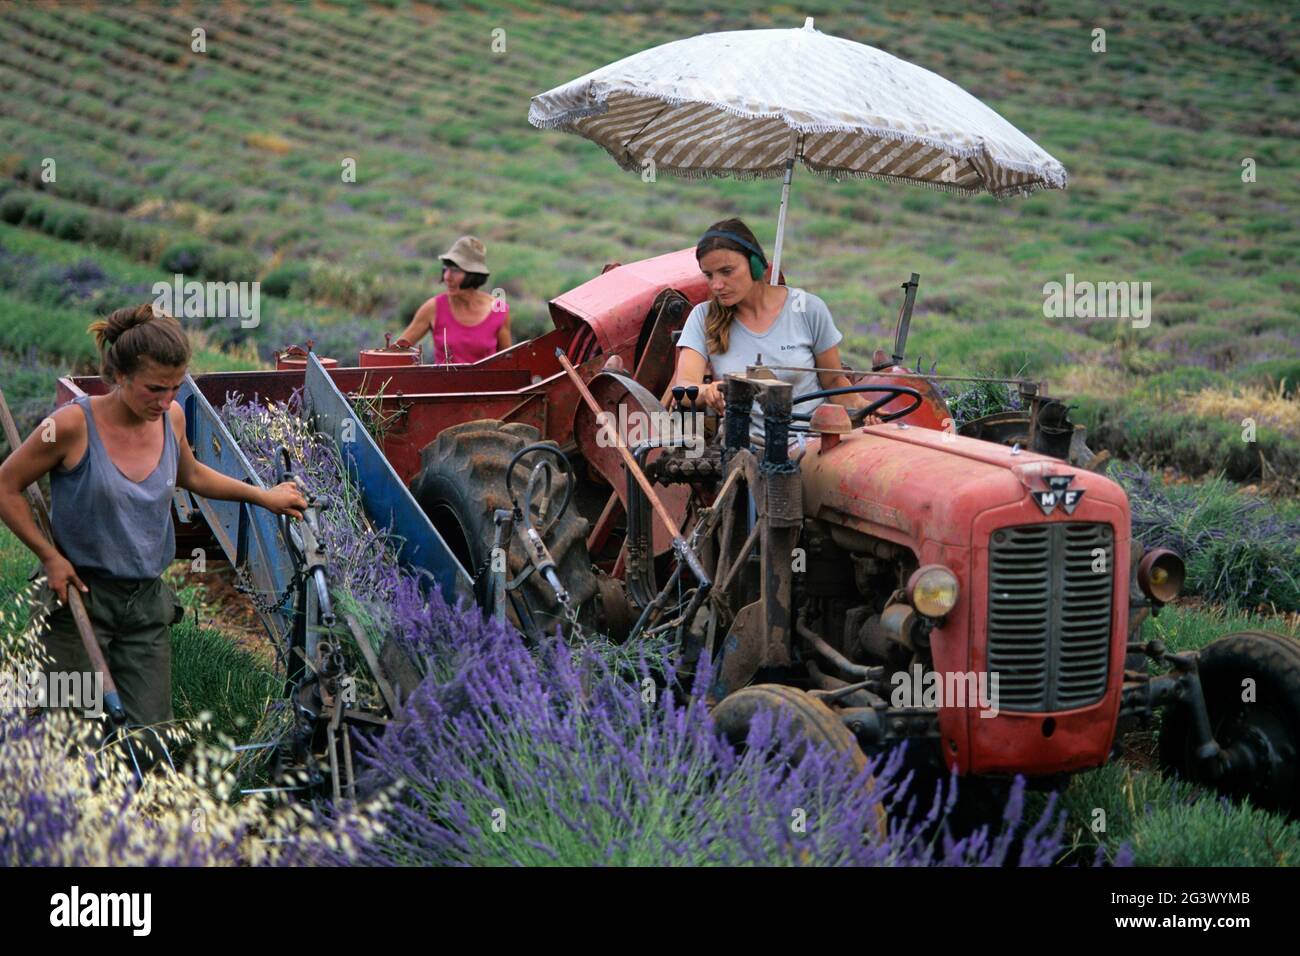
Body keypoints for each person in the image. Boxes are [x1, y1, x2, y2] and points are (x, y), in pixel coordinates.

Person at [0, 304, 307, 759]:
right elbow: (6, 487)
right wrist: (50, 557)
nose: (165, 401)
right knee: (69, 741)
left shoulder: (171, 419)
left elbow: (192, 475)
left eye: (175, 388)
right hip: (80, 600)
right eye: (154, 389)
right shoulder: (69, 427)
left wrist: (263, 496)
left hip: (145, 605)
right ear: (118, 375)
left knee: (147, 742)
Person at [671, 217, 880, 447]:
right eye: (709, 275)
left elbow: (833, 381)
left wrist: (864, 408)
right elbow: (683, 387)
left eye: (726, 271)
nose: (717, 285)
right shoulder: (703, 317)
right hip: (745, 450)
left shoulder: (807, 309)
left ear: (755, 265)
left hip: (816, 443)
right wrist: (706, 391)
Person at [395, 235, 512, 364]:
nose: (447, 277)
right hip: (443, 383)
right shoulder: (433, 307)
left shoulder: (499, 309)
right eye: (445, 269)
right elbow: (397, 351)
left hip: (488, 384)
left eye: (455, 270)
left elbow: (508, 362)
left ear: (473, 275)